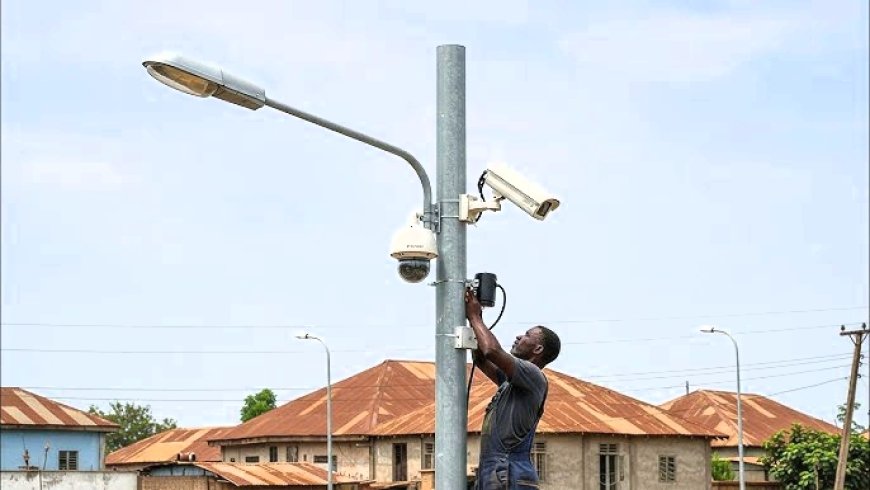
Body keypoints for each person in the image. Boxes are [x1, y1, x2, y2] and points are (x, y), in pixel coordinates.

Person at [465, 288, 561, 490]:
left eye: (527, 335)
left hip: (508, 472)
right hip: (495, 471)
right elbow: (481, 358)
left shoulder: (533, 375)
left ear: (538, 349)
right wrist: (474, 317)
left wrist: (474, 316)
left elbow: (491, 351)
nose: (518, 337)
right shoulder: (511, 383)